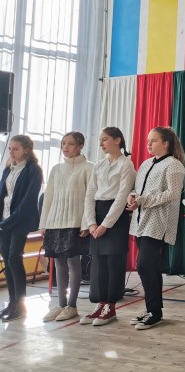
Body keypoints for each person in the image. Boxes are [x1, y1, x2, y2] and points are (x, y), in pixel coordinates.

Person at [127, 126, 185, 330]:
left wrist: (144, 200)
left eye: (153, 141)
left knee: (144, 265)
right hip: (140, 221)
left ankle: (154, 311)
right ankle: (153, 309)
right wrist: (133, 197)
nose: (149, 144)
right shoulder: (146, 164)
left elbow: (173, 193)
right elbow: (137, 189)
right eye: (148, 140)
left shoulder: (174, 165)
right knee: (150, 268)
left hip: (158, 222)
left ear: (166, 144)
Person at [80, 127, 136, 326]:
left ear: (117, 140)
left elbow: (121, 198)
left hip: (115, 217)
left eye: (105, 139)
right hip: (98, 213)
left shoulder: (126, 165)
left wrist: (105, 225)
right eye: (100, 140)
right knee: (98, 265)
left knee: (113, 263)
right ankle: (99, 304)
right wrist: (91, 222)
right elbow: (90, 194)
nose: (101, 143)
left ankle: (110, 307)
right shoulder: (99, 165)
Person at [39, 132, 93, 322]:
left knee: (73, 263)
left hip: (75, 223)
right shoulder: (56, 169)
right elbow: (49, 197)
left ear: (80, 146)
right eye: (63, 143)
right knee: (58, 263)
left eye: (70, 144)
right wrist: (44, 223)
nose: (65, 147)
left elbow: (89, 199)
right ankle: (61, 304)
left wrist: (86, 223)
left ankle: (72, 306)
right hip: (55, 222)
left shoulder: (89, 168)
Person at [0, 134, 43, 321]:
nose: (11, 152)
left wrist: (7, 222)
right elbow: (3, 196)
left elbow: (28, 201)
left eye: (15, 149)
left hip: (20, 222)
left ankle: (20, 305)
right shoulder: (8, 169)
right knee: (7, 262)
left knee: (13, 259)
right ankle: (12, 303)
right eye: (10, 149)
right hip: (4, 221)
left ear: (26, 150)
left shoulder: (33, 170)